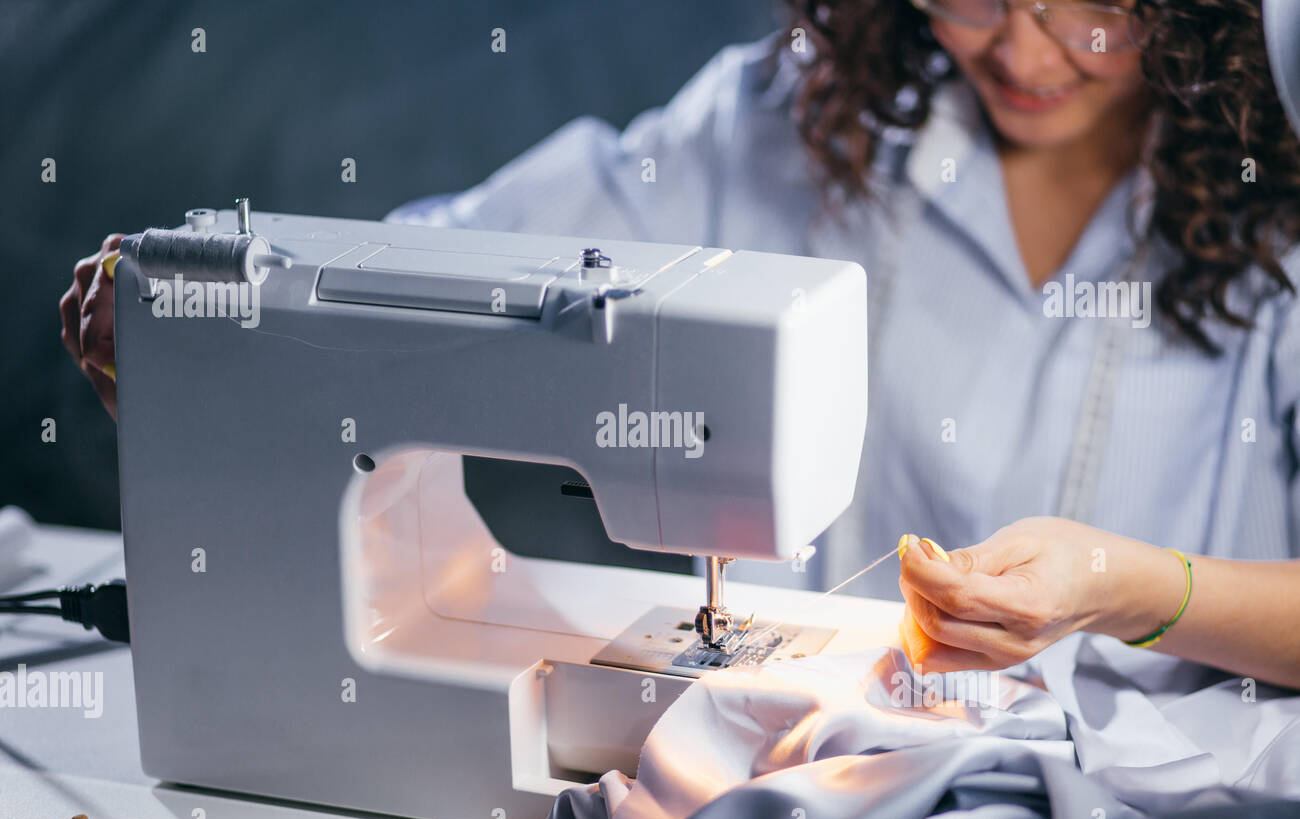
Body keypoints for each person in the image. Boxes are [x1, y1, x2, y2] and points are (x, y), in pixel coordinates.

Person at [60, 0, 1300, 688]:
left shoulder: (1281, 204)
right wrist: (213, 322)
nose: (1024, 51)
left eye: (1094, 4)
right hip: (846, 790)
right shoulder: (773, 125)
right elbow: (444, 263)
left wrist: (1139, 589)